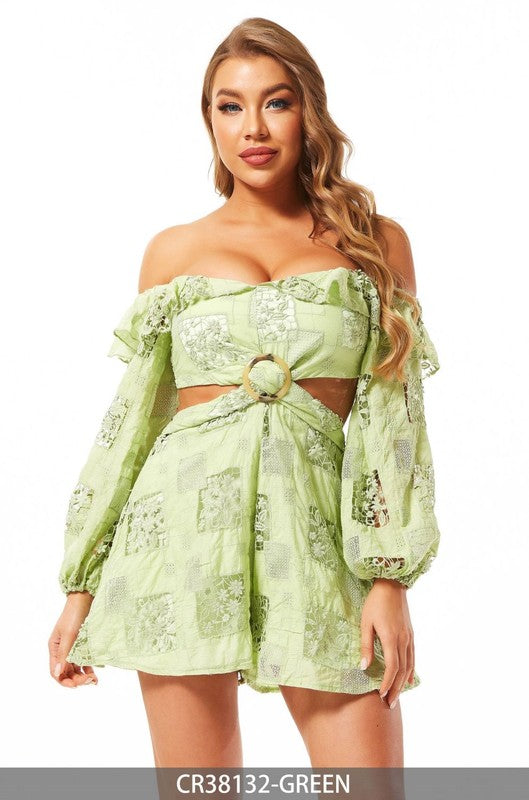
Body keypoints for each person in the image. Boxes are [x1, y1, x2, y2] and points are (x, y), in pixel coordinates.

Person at [48, 17, 441, 769]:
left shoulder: (373, 241)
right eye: (230, 106)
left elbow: (393, 421)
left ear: (308, 111)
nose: (252, 128)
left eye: (276, 102)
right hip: (177, 540)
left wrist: (388, 579)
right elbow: (134, 422)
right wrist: (81, 587)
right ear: (209, 120)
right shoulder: (173, 251)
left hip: (321, 542)